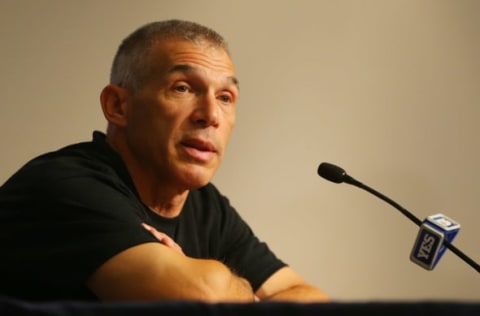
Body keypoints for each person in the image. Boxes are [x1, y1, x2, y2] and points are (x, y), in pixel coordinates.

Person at [0, 19, 329, 303]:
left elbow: (311, 299)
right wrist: (247, 292)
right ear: (118, 106)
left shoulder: (206, 207)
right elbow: (202, 298)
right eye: (183, 88)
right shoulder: (64, 186)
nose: (211, 115)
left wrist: (229, 289)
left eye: (225, 98)